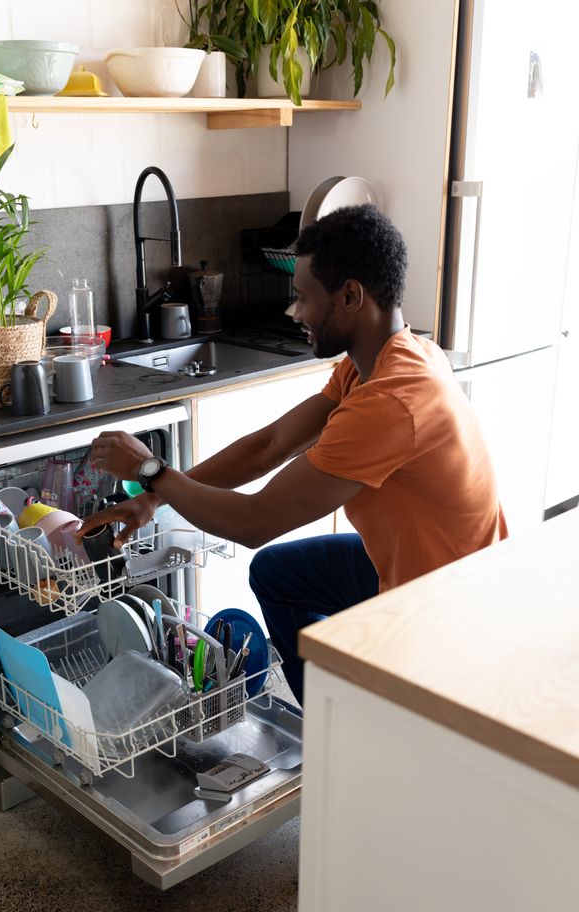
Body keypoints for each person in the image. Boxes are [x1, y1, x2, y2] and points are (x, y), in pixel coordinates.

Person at [77, 204, 507, 705]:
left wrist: (151, 469)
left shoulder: (392, 400)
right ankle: (338, 706)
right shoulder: (385, 357)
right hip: (436, 569)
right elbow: (270, 446)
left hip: (448, 605)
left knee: (277, 569)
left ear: (350, 296)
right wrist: (153, 498)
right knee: (281, 576)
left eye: (302, 298)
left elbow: (255, 522)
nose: (294, 312)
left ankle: (351, 719)